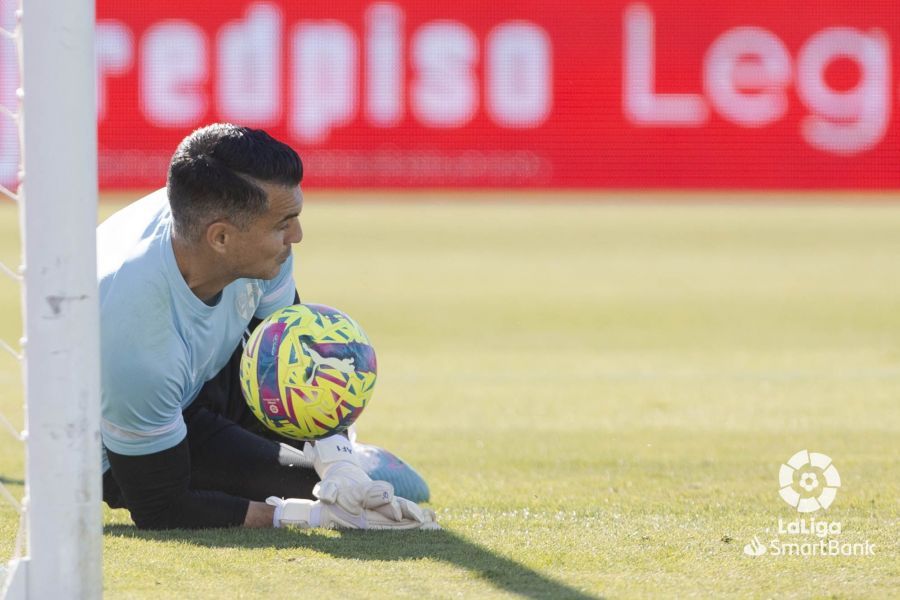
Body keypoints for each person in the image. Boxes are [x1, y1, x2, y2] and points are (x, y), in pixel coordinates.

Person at [98, 123, 437, 530]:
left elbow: (294, 354)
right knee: (320, 492)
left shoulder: (235, 234)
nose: (296, 234)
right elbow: (161, 508)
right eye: (283, 224)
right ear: (220, 237)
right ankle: (336, 467)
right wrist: (312, 516)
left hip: (201, 372)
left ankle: (347, 458)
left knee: (355, 484)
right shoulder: (138, 346)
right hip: (118, 439)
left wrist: (338, 462)